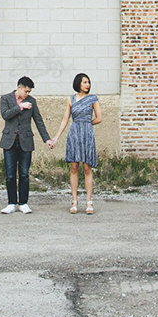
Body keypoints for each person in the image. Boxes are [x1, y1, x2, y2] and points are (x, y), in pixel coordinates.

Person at [0, 76, 52, 214]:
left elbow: (38, 121)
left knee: (24, 174)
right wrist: (20, 106)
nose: (27, 94)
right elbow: (5, 115)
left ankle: (23, 203)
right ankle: (11, 203)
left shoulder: (32, 101)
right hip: (9, 141)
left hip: (25, 142)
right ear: (19, 88)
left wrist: (47, 139)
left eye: (29, 92)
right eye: (26, 91)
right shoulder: (6, 99)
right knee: (10, 175)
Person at [49, 72, 101, 214]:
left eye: (88, 82)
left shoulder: (93, 99)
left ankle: (89, 202)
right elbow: (65, 119)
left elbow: (99, 118)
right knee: (74, 167)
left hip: (87, 133)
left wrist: (87, 124)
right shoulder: (70, 99)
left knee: (87, 168)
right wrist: (56, 137)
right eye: (85, 82)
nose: (87, 85)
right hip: (74, 133)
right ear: (78, 83)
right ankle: (74, 201)